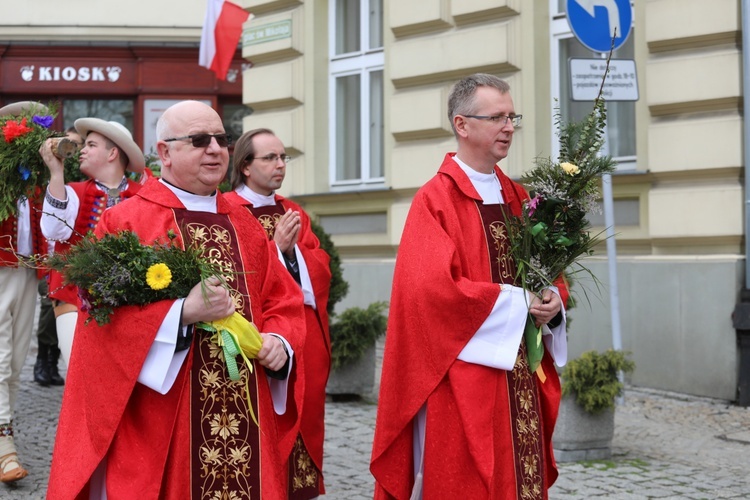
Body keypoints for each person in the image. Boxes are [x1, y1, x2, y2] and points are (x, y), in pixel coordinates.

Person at [46, 100, 306, 499]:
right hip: (165, 419)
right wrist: (181, 313)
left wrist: (279, 343)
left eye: (222, 139)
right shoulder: (128, 221)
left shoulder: (247, 225)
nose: (216, 149)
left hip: (246, 415)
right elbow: (102, 322)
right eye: (200, 140)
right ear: (164, 152)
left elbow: (281, 301)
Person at [370, 74, 569, 499]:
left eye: (512, 116)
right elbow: (431, 295)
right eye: (496, 117)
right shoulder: (435, 200)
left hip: (520, 371)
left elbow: (547, 271)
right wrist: (518, 302)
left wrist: (553, 300)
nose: (509, 126)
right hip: (463, 377)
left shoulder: (518, 196)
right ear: (462, 125)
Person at [225, 128, 332, 499]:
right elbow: (234, 274)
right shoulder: (228, 211)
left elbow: (319, 266)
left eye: (283, 157)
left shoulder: (293, 211)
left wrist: (290, 254)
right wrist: (276, 248)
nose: (280, 165)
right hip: (256, 333)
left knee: (305, 411)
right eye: (270, 158)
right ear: (245, 166)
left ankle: (297, 488)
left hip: (303, 333)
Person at [39, 118, 145, 366]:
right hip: (74, 298)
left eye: (91, 145)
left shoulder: (142, 195)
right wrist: (56, 173)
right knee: (79, 371)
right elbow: (53, 230)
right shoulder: (73, 191)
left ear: (113, 153)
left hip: (130, 302)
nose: (82, 150)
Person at [0, 101, 50, 483]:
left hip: (28, 270)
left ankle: (5, 428)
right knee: (0, 357)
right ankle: (6, 444)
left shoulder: (35, 177)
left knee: (16, 360)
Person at [33, 126, 82, 387]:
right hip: (50, 259)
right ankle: (44, 361)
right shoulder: (55, 175)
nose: (70, 150)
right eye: (68, 143)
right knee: (46, 313)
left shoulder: (78, 181)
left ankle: (52, 362)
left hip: (67, 261)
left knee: (58, 316)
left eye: (75, 145)